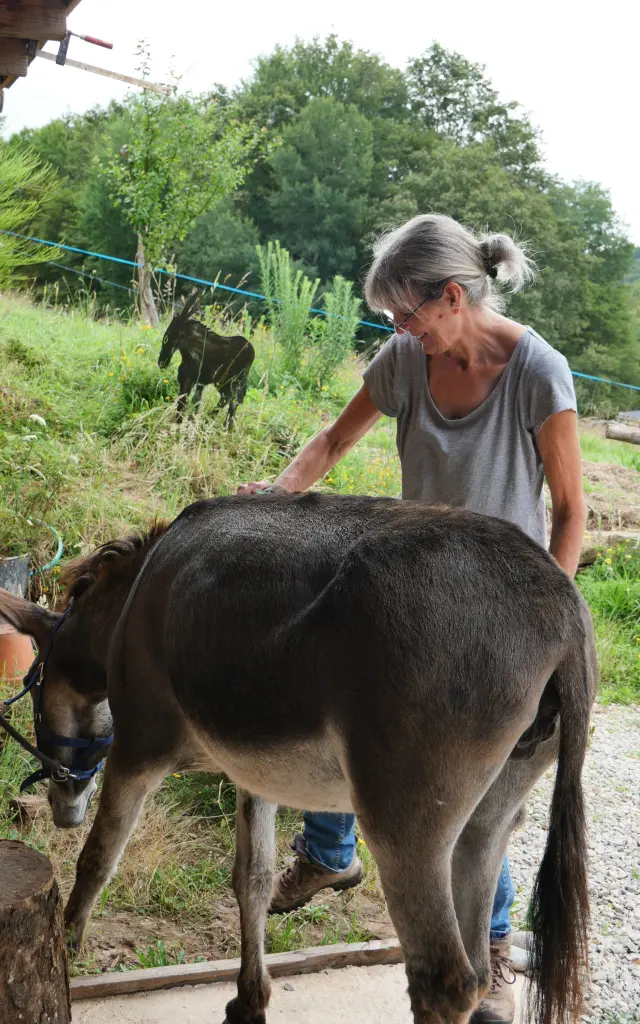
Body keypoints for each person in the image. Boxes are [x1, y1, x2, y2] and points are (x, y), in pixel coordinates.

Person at [237, 213, 586, 1024]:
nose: (397, 330)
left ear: (453, 297)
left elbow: (571, 512)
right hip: (414, 599)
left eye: (406, 314)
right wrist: (273, 499)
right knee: (337, 702)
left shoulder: (538, 372)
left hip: (500, 615)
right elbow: (332, 441)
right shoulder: (405, 360)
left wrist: (545, 627)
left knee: (473, 802)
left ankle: (488, 947)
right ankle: (331, 853)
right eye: (391, 317)